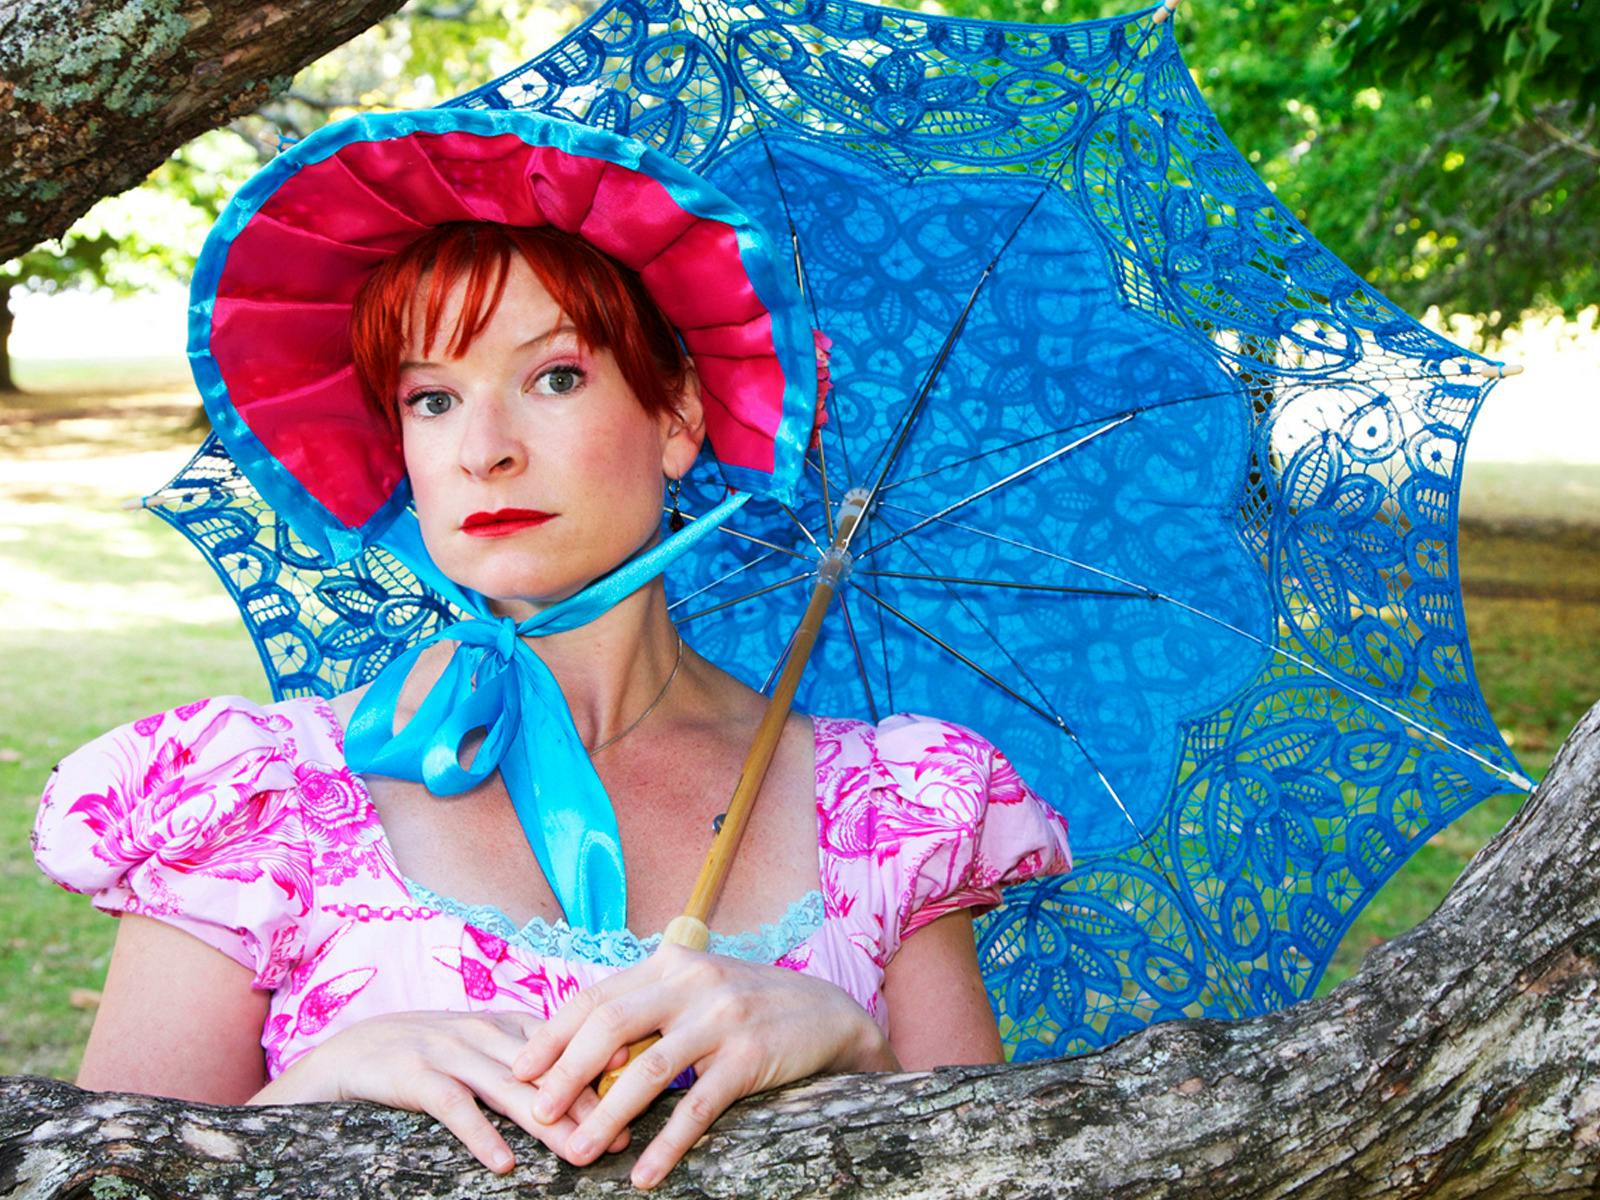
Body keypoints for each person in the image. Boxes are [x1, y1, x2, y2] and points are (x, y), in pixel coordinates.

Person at [31, 109, 1073, 1190]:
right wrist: (309, 1096)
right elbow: (107, 1176)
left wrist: (858, 1050)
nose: (484, 451)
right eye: (431, 399)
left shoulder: (885, 810)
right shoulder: (256, 800)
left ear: (676, 416)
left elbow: (985, 1170)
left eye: (555, 377)